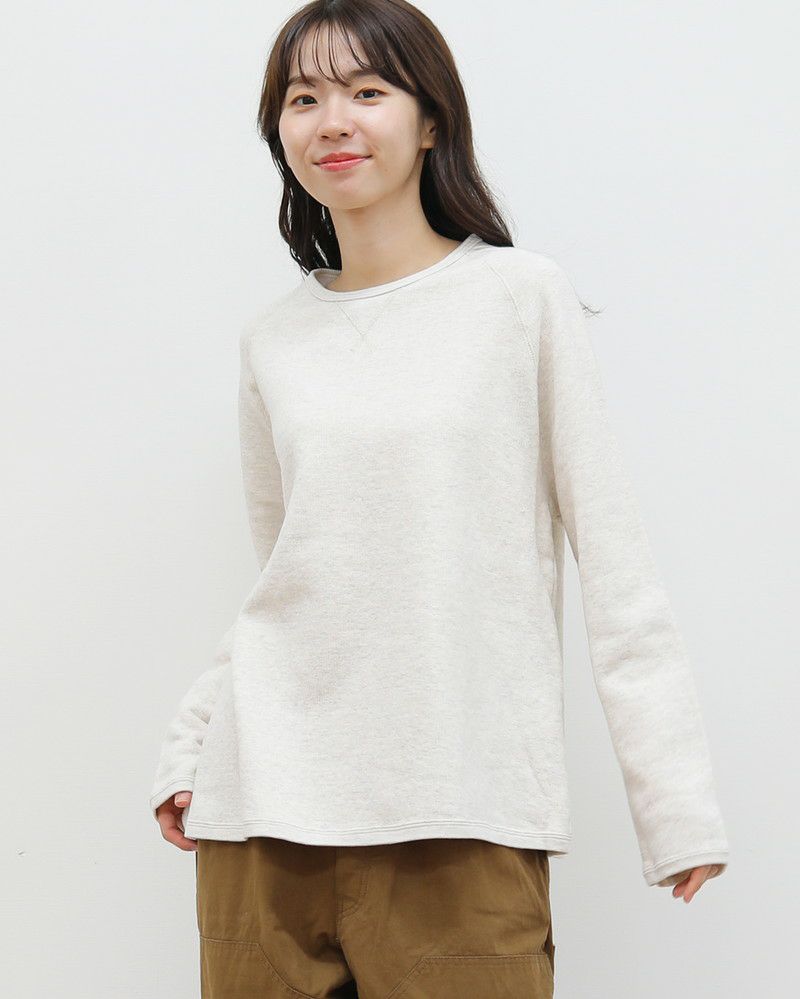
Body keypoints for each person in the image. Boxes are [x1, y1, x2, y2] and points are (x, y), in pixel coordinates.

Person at [150, 1, 729, 995]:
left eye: (367, 90)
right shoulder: (273, 341)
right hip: (261, 817)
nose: (333, 121)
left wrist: (674, 807)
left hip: (459, 810)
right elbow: (287, 576)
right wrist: (190, 744)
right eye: (303, 98)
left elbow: (617, 567)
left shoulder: (520, 299)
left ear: (430, 121)